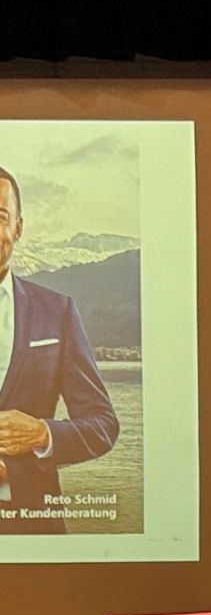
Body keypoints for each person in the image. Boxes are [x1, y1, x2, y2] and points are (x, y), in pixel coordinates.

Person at [0, 166, 119, 528]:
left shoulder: (58, 311)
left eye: (0, 216)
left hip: (34, 529)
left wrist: (43, 434)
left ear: (18, 227)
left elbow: (103, 425)